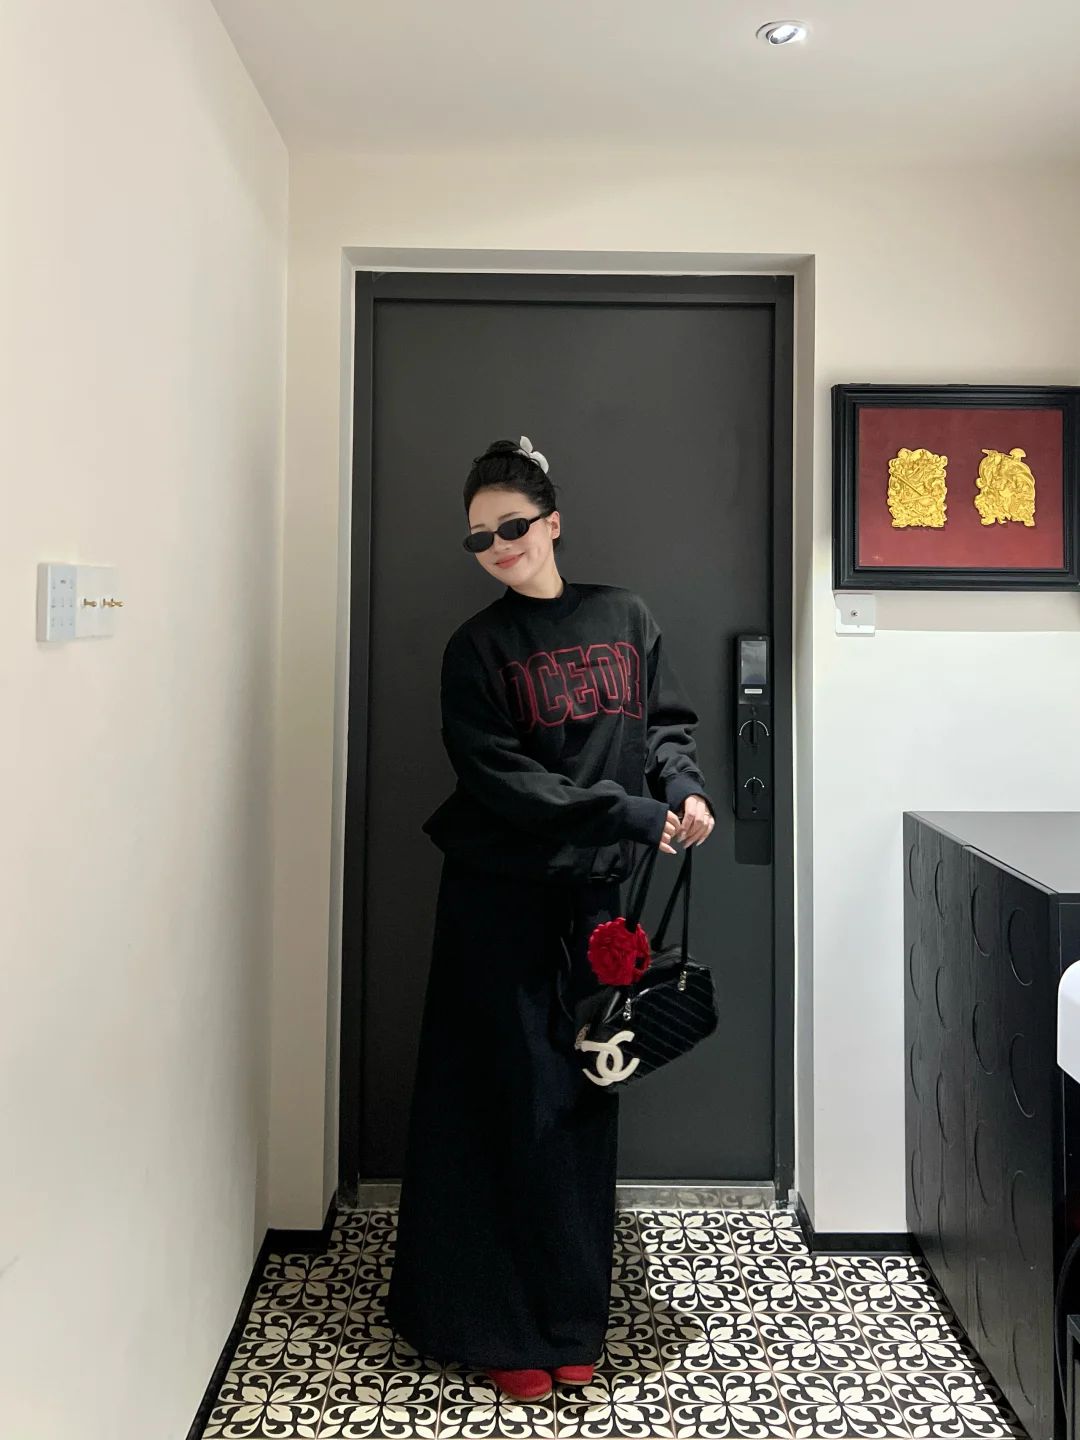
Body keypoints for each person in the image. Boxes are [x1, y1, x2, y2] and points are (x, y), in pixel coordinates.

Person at [385, 436, 714, 1402]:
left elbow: (665, 724)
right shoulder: (475, 649)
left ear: (553, 521)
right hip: (498, 900)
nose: (499, 546)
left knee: (581, 1100)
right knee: (499, 1102)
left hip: (596, 905)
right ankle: (493, 1324)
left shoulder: (625, 616)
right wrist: (632, 814)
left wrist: (682, 788)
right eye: (480, 536)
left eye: (514, 526)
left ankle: (570, 1320)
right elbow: (504, 782)